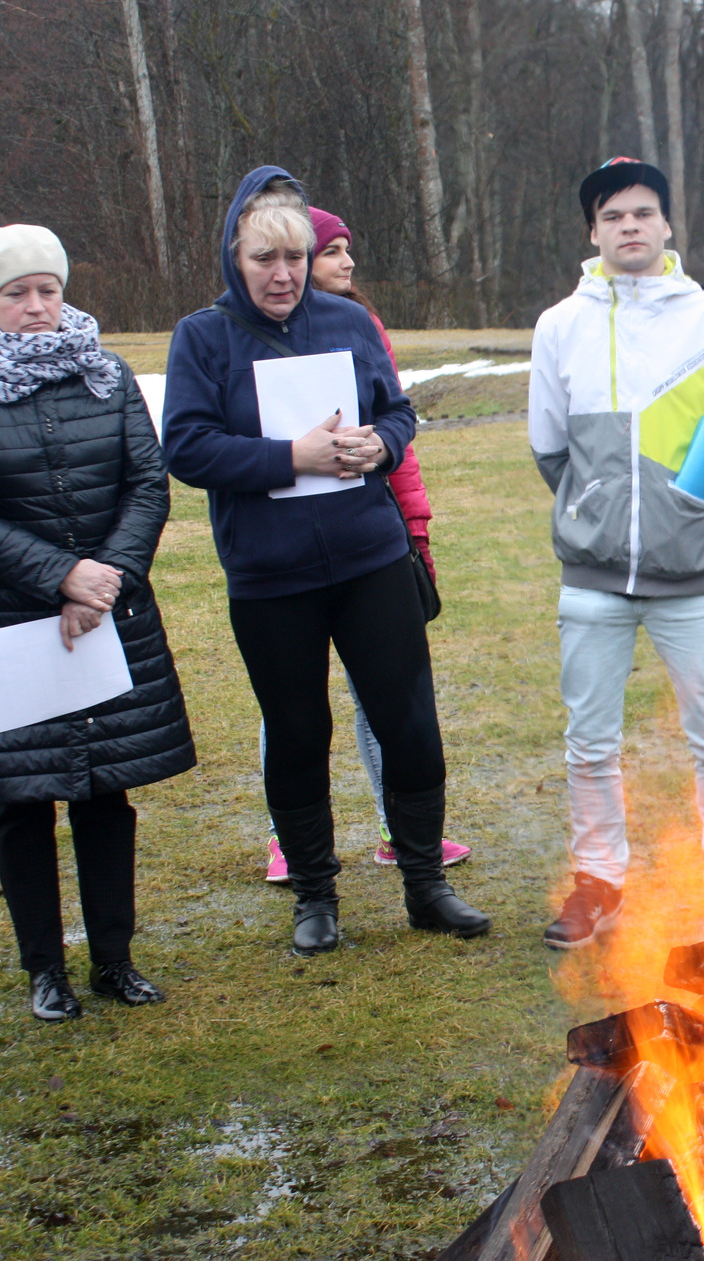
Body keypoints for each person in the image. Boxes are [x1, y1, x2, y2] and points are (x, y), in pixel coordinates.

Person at [163, 167, 489, 955]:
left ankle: (425, 884)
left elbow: (397, 411)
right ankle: (315, 893)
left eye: (295, 258)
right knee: (299, 731)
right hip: (271, 577)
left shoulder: (347, 320)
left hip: (370, 559)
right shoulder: (202, 337)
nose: (282, 275)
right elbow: (187, 446)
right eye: (264, 259)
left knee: (410, 722)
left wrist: (383, 444)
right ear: (234, 257)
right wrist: (290, 457)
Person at [0, 226, 195, 1020]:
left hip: (103, 612)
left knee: (105, 791)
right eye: (17, 294)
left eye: (48, 289)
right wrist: (58, 575)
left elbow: (146, 483)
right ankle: (45, 969)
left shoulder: (106, 372)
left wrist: (101, 580)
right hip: (8, 620)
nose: (37, 306)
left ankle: (114, 959)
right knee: (23, 799)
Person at [527, 158, 704, 949]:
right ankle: (598, 882)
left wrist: (692, 512)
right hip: (592, 577)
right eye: (613, 215)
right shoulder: (559, 326)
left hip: (691, 576)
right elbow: (550, 448)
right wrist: (596, 511)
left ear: (666, 224)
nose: (629, 225)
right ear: (593, 231)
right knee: (589, 742)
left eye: (642, 212)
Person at [258, 207, 471, 883]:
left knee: (383, 693)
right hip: (282, 562)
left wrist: (413, 521)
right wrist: (290, 459)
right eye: (331, 251)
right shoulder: (240, 335)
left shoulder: (360, 326)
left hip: (368, 547)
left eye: (344, 250)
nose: (346, 263)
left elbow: (396, 426)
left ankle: (396, 829)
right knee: (290, 706)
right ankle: (288, 841)